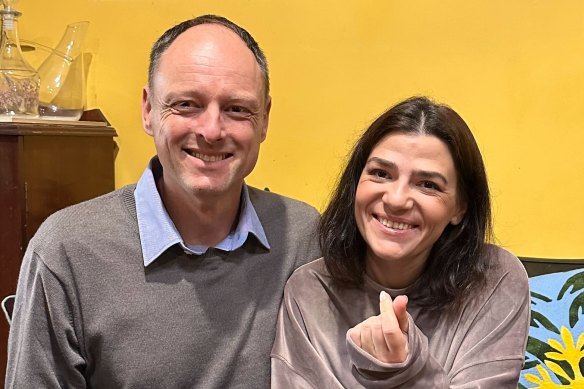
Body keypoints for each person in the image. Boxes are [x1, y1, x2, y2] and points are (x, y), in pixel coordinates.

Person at [6, 15, 321, 388]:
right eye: (187, 104)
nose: (211, 130)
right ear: (148, 110)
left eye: (237, 108)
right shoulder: (67, 252)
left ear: (265, 118)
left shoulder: (301, 237)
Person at [271, 96, 530, 388]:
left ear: (460, 207)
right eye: (381, 174)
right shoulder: (309, 291)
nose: (395, 200)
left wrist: (404, 369)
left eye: (428, 185)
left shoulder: (492, 279)